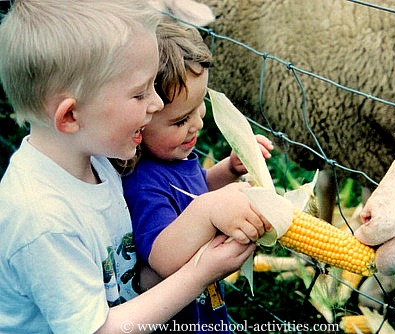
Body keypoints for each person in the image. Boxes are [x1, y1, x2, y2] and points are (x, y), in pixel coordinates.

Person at [0, 1, 256, 333]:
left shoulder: (97, 164)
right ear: (70, 116)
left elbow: (128, 277)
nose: (158, 104)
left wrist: (199, 251)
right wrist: (200, 272)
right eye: (139, 95)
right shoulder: (43, 223)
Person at [122, 21, 274, 333]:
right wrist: (209, 211)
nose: (198, 125)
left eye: (199, 107)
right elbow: (162, 257)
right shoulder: (143, 183)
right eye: (180, 120)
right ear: (139, 121)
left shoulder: (173, 157)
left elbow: (196, 188)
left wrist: (228, 170)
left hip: (208, 311)